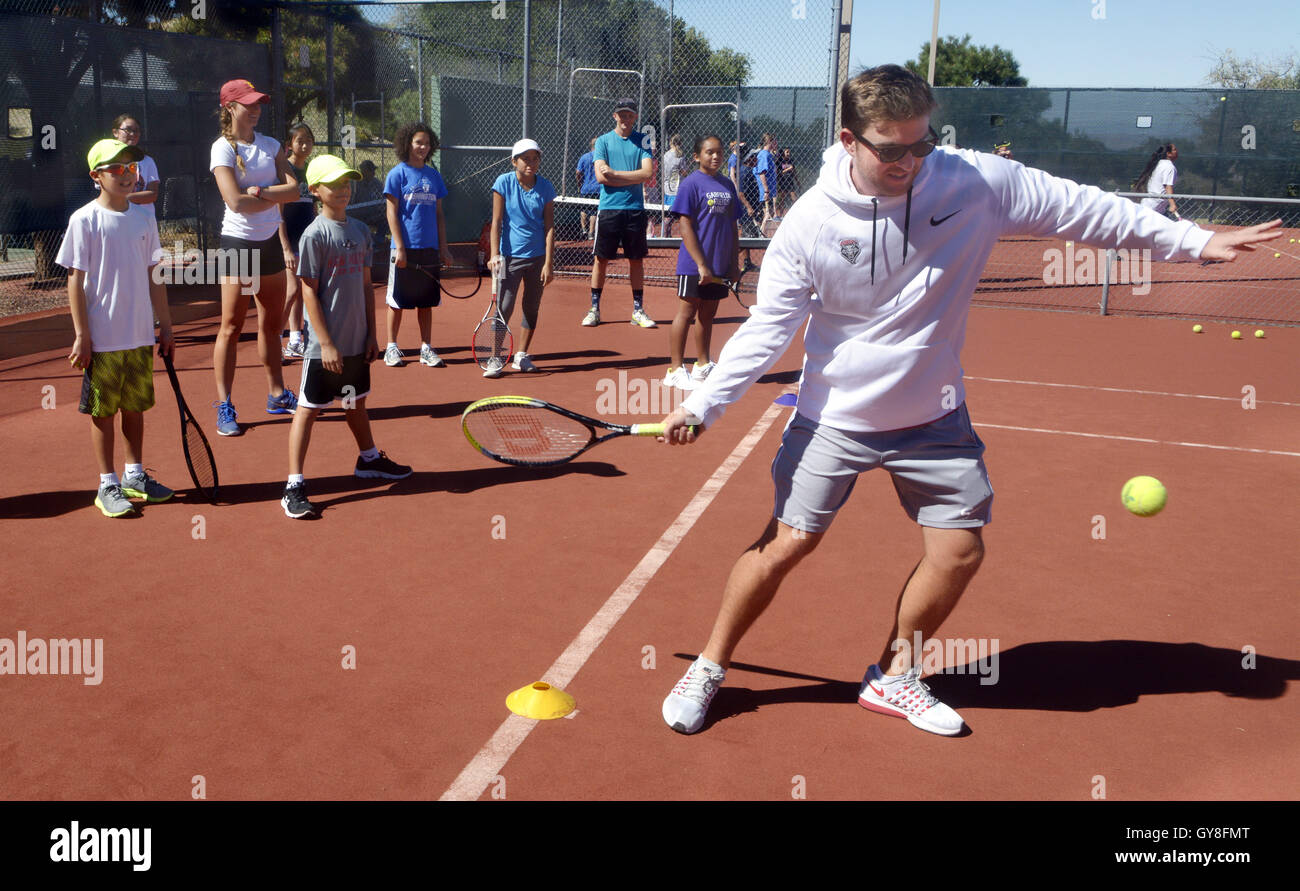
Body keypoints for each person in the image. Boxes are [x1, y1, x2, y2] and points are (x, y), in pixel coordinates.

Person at [656, 64, 1282, 738]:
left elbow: (1084, 207)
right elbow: (769, 327)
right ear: (848, 139)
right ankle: (712, 664)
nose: (909, 162)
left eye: (921, 144)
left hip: (933, 414)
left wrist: (1193, 241)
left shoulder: (975, 181)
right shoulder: (808, 224)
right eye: (890, 149)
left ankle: (894, 676)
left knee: (959, 552)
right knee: (785, 545)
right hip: (833, 415)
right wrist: (706, 402)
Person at [282, 154, 412, 519]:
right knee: (309, 410)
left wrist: (372, 333)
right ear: (315, 191)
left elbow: (367, 285)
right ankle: (294, 484)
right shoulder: (314, 235)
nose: (343, 189)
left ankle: (368, 459)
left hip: (357, 342)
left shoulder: (360, 231)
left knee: (355, 401)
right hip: (323, 348)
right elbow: (308, 291)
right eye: (334, 184)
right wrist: (325, 343)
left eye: (347, 183)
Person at [57, 138, 175, 517]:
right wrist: (82, 334)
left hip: (140, 333)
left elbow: (154, 273)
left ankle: (134, 476)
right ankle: (107, 483)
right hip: (103, 336)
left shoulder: (144, 218)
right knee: (103, 411)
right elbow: (75, 280)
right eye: (117, 168)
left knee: (135, 407)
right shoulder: (84, 219)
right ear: (96, 176)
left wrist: (166, 325)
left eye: (131, 167)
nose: (127, 174)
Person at [210, 79, 304, 437]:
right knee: (232, 326)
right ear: (230, 108)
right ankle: (224, 405)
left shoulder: (271, 145)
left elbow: (294, 190)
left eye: (258, 103)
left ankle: (277, 393)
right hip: (239, 243)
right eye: (248, 104)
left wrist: (262, 193)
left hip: (268, 244)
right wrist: (273, 197)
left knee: (271, 323)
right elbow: (235, 202)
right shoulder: (221, 149)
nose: (256, 109)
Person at [662, 135, 739, 392]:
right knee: (687, 313)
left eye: (718, 152)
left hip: (718, 264)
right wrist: (701, 265)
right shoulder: (690, 184)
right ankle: (675, 369)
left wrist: (733, 263)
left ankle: (702, 365)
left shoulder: (728, 185)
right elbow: (684, 226)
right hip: (693, 266)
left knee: (708, 314)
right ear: (697, 156)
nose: (715, 156)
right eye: (709, 152)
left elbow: (732, 226)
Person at [382, 122, 452, 369]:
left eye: (426, 143)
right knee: (397, 301)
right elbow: (391, 212)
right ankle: (391, 347)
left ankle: (426, 348)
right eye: (418, 142)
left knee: (426, 301)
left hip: (429, 248)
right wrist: (399, 246)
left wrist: (443, 247)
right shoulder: (397, 174)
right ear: (407, 144)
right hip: (404, 249)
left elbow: (440, 214)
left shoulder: (434, 175)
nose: (423, 147)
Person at [584, 98, 656, 329]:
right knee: (601, 260)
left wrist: (615, 172)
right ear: (615, 116)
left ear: (635, 117)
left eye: (630, 115)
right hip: (609, 209)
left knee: (635, 261)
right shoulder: (603, 141)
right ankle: (594, 309)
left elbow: (646, 174)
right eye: (621, 114)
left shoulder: (643, 140)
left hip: (634, 210)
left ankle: (638, 311)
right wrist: (625, 176)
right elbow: (600, 177)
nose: (625, 119)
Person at [487, 138, 556, 378]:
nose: (531, 163)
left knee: (531, 307)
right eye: (526, 159)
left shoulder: (545, 187)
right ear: (514, 161)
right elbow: (496, 222)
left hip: (537, 259)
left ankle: (521, 355)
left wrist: (549, 262)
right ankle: (496, 357)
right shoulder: (503, 183)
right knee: (504, 308)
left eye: (535, 158)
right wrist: (494, 254)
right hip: (509, 258)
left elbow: (549, 227)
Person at [280, 122, 316, 363]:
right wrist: (284, 247)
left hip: (308, 238)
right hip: (289, 240)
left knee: (303, 290)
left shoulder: (312, 170)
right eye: (299, 140)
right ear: (289, 145)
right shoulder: (285, 170)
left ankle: (295, 340)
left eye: (308, 141)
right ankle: (272, 337)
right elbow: (278, 213)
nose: (304, 145)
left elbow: (313, 207)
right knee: (292, 290)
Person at [106, 115, 161, 238]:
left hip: (144, 224)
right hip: (116, 222)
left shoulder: (147, 161)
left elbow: (152, 194)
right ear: (115, 132)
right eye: (128, 129)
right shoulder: (107, 161)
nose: (133, 133)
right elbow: (107, 195)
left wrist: (123, 198)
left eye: (136, 130)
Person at [1134, 143, 1180, 220]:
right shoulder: (1169, 167)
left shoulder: (1159, 164)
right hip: (1154, 207)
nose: (1177, 151)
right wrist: (1172, 204)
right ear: (1168, 154)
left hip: (1154, 206)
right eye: (1174, 149)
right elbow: (1168, 187)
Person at [660, 133, 685, 237]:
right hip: (676, 187)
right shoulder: (680, 155)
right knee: (673, 213)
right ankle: (665, 232)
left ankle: (667, 234)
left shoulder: (666, 155)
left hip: (667, 186)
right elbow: (683, 172)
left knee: (668, 211)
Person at [576, 137, 600, 239]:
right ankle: (591, 232)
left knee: (584, 209)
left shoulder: (584, 157)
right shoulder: (601, 158)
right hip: (598, 188)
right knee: (594, 210)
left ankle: (584, 230)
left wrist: (579, 184)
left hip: (585, 187)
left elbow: (578, 172)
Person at [776, 146, 801, 215]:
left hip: (790, 181)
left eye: (789, 152)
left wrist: (797, 181)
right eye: (787, 152)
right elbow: (779, 172)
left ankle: (796, 213)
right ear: (783, 153)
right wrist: (788, 169)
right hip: (782, 181)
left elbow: (794, 171)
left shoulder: (790, 160)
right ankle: (780, 215)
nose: (788, 153)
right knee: (782, 199)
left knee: (794, 198)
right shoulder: (779, 161)